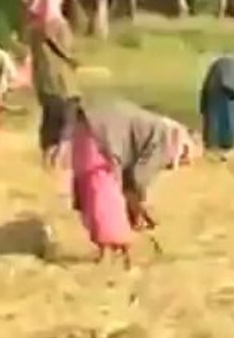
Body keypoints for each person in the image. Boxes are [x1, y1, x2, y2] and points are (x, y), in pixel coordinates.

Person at [44, 96, 200, 266]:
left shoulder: (161, 130)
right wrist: (139, 208)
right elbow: (137, 179)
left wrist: (135, 204)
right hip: (102, 138)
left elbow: (130, 181)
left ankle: (108, 252)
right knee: (106, 198)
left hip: (89, 127)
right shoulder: (168, 142)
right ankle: (118, 252)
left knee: (94, 195)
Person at [27, 0, 79, 163]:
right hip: (63, 83)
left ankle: (46, 158)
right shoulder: (59, 25)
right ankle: (58, 160)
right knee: (68, 122)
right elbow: (70, 53)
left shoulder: (34, 27)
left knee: (49, 120)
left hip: (43, 83)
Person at [198, 54, 234, 152]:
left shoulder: (221, 68)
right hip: (225, 90)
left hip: (215, 88)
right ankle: (225, 143)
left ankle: (216, 143)